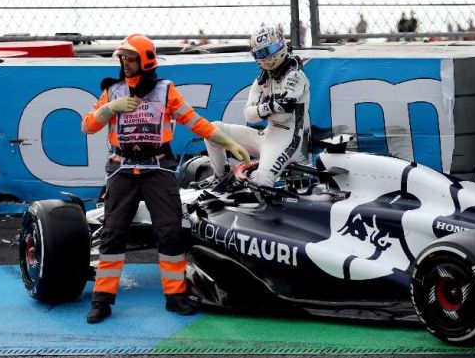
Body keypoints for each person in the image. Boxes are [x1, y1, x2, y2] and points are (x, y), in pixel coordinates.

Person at [81, 34, 250, 324]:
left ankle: (175, 296)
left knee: (170, 232)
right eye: (122, 58)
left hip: (158, 168)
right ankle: (102, 300)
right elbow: (88, 126)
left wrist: (228, 143)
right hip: (122, 169)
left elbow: (195, 122)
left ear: (146, 61)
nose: (124, 63)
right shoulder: (113, 91)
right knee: (112, 234)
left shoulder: (166, 91)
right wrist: (110, 108)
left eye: (130, 58)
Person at [205, 26, 310, 188]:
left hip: (289, 141)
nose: (267, 57)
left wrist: (261, 110)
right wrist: (273, 107)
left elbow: (284, 116)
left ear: (281, 45)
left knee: (260, 181)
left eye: (270, 49)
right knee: (212, 130)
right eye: (261, 53)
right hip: (266, 135)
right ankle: (221, 176)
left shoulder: (295, 76)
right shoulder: (261, 80)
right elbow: (249, 116)